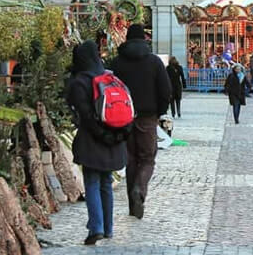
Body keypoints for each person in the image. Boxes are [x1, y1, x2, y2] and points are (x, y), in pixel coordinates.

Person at [65, 41, 127, 245]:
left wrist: (99, 133)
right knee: (106, 183)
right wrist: (114, 135)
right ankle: (108, 228)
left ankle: (96, 228)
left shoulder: (79, 81)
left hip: (92, 139)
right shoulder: (111, 78)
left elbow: (83, 114)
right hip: (113, 137)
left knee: (91, 182)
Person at [109, 24, 172, 219]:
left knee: (131, 160)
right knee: (147, 158)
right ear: (145, 39)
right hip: (147, 116)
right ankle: (140, 190)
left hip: (124, 117)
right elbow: (165, 90)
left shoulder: (117, 62)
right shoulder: (154, 62)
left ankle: (132, 203)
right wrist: (159, 112)